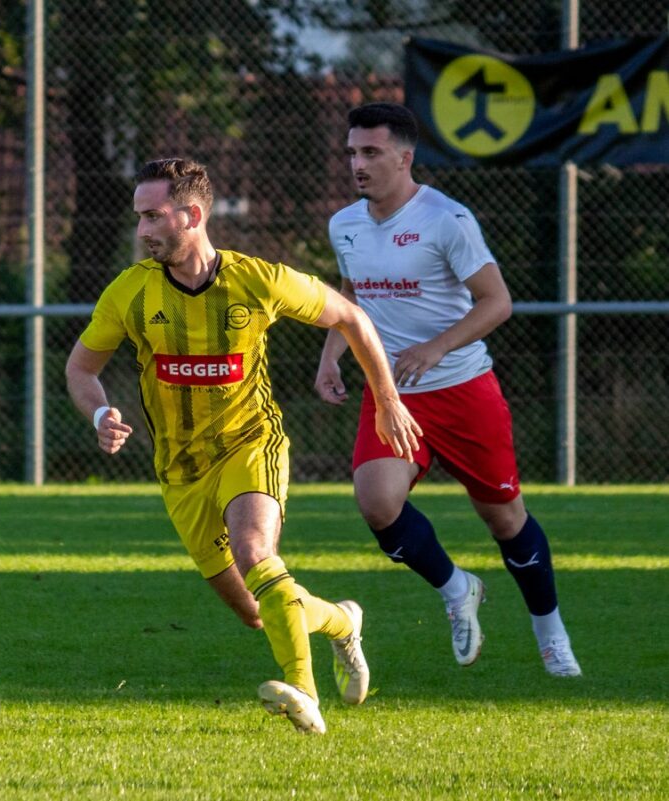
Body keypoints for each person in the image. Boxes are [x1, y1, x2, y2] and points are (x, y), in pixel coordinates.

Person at [66, 157, 423, 734]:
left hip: (250, 444)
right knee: (258, 612)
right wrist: (101, 411)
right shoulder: (130, 292)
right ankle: (341, 621)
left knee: (256, 554)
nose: (142, 230)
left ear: (192, 215)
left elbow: (352, 318)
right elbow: (81, 368)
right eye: (139, 217)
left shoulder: (257, 280)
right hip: (180, 470)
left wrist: (387, 400)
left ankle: (303, 693)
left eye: (153, 216)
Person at [315, 102, 581, 677]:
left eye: (371, 152)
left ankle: (550, 632)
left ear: (404, 157)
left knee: (504, 519)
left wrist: (437, 347)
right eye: (352, 153)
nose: (357, 164)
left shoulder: (446, 219)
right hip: (390, 393)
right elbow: (350, 297)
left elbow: (497, 302)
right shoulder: (345, 224)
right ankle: (458, 589)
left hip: (463, 389)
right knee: (377, 504)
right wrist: (331, 356)